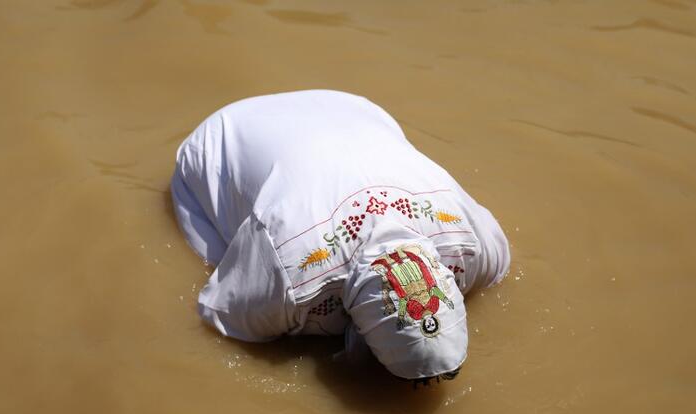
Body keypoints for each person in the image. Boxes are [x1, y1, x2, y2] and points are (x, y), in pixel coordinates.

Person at [171, 90, 509, 381]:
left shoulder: (473, 247)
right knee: (226, 264)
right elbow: (221, 313)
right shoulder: (294, 277)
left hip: (354, 109)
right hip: (222, 138)